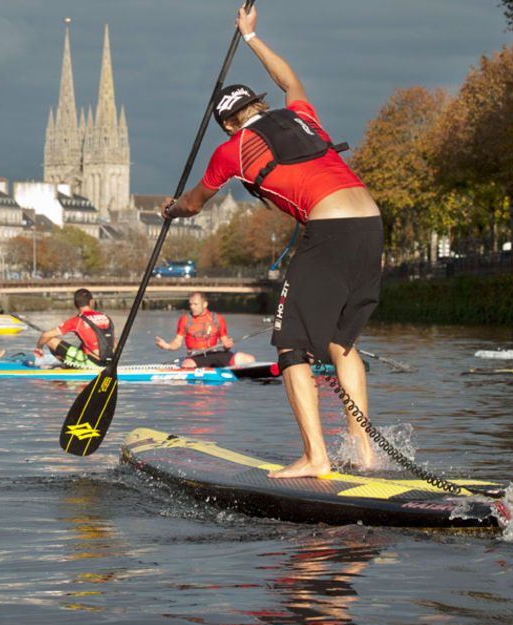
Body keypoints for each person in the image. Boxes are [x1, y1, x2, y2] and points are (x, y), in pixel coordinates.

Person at [161, 4, 381, 478]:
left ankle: (316, 456)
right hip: (371, 222)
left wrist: (171, 208)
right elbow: (291, 81)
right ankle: (364, 454)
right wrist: (252, 36)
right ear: (257, 105)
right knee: (342, 344)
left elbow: (196, 204)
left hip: (332, 229)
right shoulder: (300, 116)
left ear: (226, 123)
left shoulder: (230, 149)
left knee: (291, 348)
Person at [155, 292, 256, 368]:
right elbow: (177, 343)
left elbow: (225, 342)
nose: (192, 307)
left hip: (214, 354)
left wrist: (228, 345)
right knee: (186, 365)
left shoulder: (218, 319)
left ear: (205, 304)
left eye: (195, 304)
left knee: (250, 359)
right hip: (196, 356)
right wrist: (167, 346)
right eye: (190, 304)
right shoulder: (185, 319)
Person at [36, 288, 115, 369]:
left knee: (50, 339)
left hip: (91, 363)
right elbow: (114, 343)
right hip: (109, 362)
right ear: (91, 302)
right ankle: (68, 365)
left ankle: (68, 366)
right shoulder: (106, 317)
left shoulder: (77, 321)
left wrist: (39, 347)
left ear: (75, 304)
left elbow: (45, 335)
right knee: (86, 342)